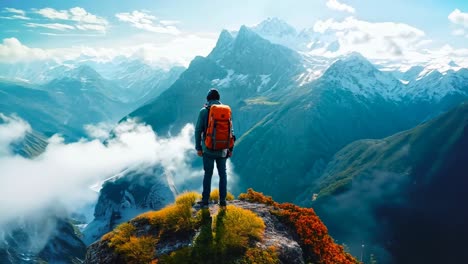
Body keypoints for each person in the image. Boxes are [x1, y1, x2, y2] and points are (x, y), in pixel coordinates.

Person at [195, 88, 234, 208]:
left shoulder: (204, 111)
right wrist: (230, 149)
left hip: (208, 148)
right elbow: (230, 131)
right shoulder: (226, 111)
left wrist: (198, 148)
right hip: (223, 148)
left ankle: (205, 200)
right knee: (223, 174)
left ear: (208, 99)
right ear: (218, 99)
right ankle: (222, 201)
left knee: (208, 174)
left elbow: (198, 130)